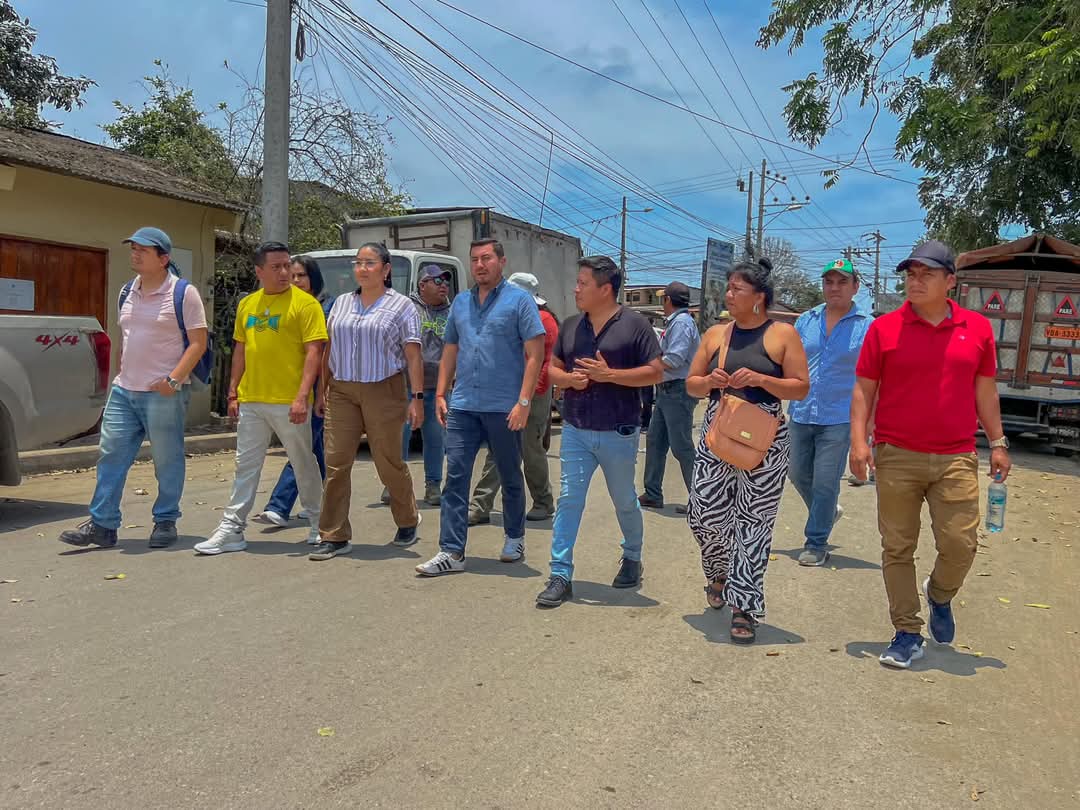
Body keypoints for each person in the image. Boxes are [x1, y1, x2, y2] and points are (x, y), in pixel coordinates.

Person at [850, 240, 1011, 669]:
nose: (916, 281)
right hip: (896, 454)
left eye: (927, 274)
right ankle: (906, 632)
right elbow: (864, 388)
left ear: (950, 281)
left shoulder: (977, 328)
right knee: (897, 546)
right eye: (911, 274)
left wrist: (998, 442)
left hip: (956, 455)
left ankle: (939, 594)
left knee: (961, 544)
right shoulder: (884, 329)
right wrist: (859, 442)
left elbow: (984, 390)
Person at [684, 257, 809, 643]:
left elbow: (800, 387)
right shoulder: (715, 334)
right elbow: (691, 383)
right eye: (729, 287)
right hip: (718, 428)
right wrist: (709, 381)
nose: (729, 294)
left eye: (737, 289)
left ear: (759, 297)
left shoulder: (782, 334)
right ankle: (719, 571)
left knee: (754, 524)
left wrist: (760, 379)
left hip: (766, 434)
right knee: (702, 512)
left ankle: (744, 607)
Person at [59, 227, 208, 549]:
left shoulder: (183, 293)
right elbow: (124, 339)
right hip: (124, 391)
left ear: (163, 258)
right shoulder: (127, 291)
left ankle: (165, 520)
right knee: (110, 456)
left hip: (163, 393)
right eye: (133, 248)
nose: (135, 254)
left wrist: (173, 380)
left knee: (167, 460)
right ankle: (102, 524)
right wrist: (119, 376)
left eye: (144, 249)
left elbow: (198, 343)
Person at [535, 256, 663, 607]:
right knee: (569, 500)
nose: (575, 289)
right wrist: (569, 380)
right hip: (576, 429)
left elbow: (656, 372)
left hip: (618, 431)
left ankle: (632, 555)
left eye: (583, 283)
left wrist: (611, 376)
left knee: (624, 500)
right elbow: (552, 369)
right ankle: (560, 574)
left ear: (605, 289)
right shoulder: (571, 325)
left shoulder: (635, 325)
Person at [415, 239, 545, 576]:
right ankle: (452, 551)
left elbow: (536, 354)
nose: (480, 265)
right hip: (463, 406)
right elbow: (450, 349)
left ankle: (514, 537)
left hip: (504, 407)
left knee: (510, 474)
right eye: (474, 259)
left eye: (486, 258)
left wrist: (524, 402)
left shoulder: (519, 301)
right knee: (455, 478)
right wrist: (441, 394)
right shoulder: (460, 302)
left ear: (502, 261)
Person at [194, 242, 327, 555]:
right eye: (276, 267)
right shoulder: (248, 304)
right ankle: (232, 529)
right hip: (252, 400)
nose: (285, 273)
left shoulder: (306, 305)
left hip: (289, 401)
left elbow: (315, 353)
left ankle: (319, 523)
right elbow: (240, 349)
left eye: (287, 266)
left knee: (303, 463)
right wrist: (233, 392)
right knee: (246, 466)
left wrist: (302, 396)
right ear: (259, 271)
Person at [307, 243, 425, 561]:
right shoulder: (342, 303)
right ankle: (334, 535)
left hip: (384, 389)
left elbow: (413, 355)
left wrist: (417, 398)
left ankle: (407, 519)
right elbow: (330, 349)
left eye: (369, 263)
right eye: (358, 263)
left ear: (385, 269)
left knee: (387, 461)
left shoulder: (402, 306)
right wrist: (322, 389)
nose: (362, 268)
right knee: (336, 462)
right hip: (342, 391)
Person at [786, 259, 871, 566]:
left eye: (842, 282)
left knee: (825, 481)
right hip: (801, 411)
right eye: (829, 282)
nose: (834, 288)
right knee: (796, 472)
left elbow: (875, 375)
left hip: (840, 416)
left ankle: (816, 542)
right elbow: (789, 361)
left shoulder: (867, 326)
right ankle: (827, 511)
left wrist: (869, 425)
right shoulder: (805, 321)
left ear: (855, 287)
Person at [469, 272, 558, 525]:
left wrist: (526, 398)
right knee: (497, 449)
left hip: (532, 395)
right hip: (505, 393)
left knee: (530, 450)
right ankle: (480, 505)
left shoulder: (544, 321)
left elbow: (544, 364)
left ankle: (543, 502)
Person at [254, 256, 335, 526]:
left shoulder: (325, 307)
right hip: (290, 385)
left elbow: (324, 354)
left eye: (302, 275)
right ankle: (322, 503)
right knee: (314, 449)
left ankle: (279, 506)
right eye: (293, 275)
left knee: (301, 448)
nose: (295, 280)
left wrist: (321, 391)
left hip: (317, 386)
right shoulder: (283, 305)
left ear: (314, 278)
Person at [386, 264, 453, 507]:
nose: (444, 285)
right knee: (399, 435)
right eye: (438, 281)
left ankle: (433, 485)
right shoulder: (408, 309)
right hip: (406, 384)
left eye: (446, 281)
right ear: (422, 285)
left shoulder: (452, 312)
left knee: (435, 437)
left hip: (438, 387)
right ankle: (393, 484)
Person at [640, 281, 701, 513]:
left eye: (662, 299)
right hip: (667, 390)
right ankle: (652, 493)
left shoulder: (682, 323)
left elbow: (675, 359)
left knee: (681, 446)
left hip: (678, 390)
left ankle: (700, 502)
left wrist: (648, 367)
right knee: (655, 441)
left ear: (668, 300)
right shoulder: (676, 322)